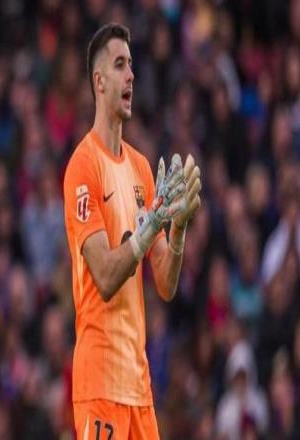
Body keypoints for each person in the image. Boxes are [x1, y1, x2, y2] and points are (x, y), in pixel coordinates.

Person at [63, 23, 202, 439]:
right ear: (99, 81)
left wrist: (177, 230)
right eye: (120, 65)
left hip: (138, 387)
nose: (131, 76)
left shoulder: (142, 168)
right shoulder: (83, 167)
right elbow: (105, 277)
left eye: (132, 66)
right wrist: (148, 229)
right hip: (99, 383)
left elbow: (165, 284)